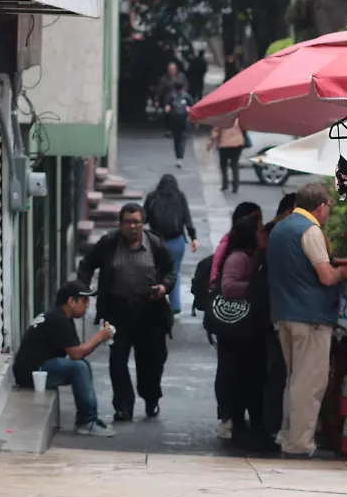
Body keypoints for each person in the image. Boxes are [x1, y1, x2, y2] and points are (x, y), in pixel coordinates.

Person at [268, 182, 347, 457]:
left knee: (295, 379)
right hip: (310, 317)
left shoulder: (280, 227)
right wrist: (342, 272)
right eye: (328, 207)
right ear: (321, 207)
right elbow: (326, 276)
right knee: (309, 382)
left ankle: (287, 434)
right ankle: (298, 443)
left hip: (285, 313)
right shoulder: (310, 229)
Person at [78, 203, 177, 422]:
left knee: (150, 361)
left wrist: (164, 287)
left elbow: (171, 270)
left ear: (143, 224)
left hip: (150, 312)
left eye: (137, 222)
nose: (132, 227)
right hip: (117, 312)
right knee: (117, 361)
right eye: (128, 222)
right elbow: (87, 264)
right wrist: (83, 289)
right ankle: (123, 406)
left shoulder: (155, 244)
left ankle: (151, 399)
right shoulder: (109, 244)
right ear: (120, 224)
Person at [12, 281, 116, 437]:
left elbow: (76, 351)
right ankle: (86, 422)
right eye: (84, 301)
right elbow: (76, 354)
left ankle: (89, 418)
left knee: (82, 365)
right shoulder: (59, 319)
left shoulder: (61, 316)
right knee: (79, 367)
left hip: (36, 369)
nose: (87, 306)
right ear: (71, 301)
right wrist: (99, 337)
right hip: (32, 374)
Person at [217, 214, 269, 448]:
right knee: (237, 373)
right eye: (259, 231)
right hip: (238, 328)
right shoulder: (239, 258)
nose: (263, 235)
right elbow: (228, 287)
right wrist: (255, 287)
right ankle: (234, 418)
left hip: (250, 327)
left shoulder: (255, 257)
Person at [144, 175, 198, 314]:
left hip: (156, 241)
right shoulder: (180, 197)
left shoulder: (152, 197)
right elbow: (187, 219)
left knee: (155, 272)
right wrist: (193, 238)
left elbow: (144, 218)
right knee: (175, 272)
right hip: (176, 241)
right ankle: (175, 305)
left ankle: (156, 302)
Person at [210, 202, 263, 283]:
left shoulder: (254, 247)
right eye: (256, 219)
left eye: (260, 219)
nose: (261, 224)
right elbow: (216, 276)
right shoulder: (233, 251)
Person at [210, 122, 248, 193]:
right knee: (234, 165)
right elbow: (245, 128)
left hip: (224, 145)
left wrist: (210, 144)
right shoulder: (239, 116)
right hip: (237, 144)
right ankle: (235, 186)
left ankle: (225, 184)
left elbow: (215, 131)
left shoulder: (223, 118)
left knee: (223, 165)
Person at [163, 87, 194, 167]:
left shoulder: (171, 96)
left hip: (174, 121)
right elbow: (192, 108)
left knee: (176, 140)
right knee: (183, 139)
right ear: (183, 88)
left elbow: (166, 110)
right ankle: (180, 158)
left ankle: (178, 158)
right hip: (184, 121)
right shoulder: (187, 96)